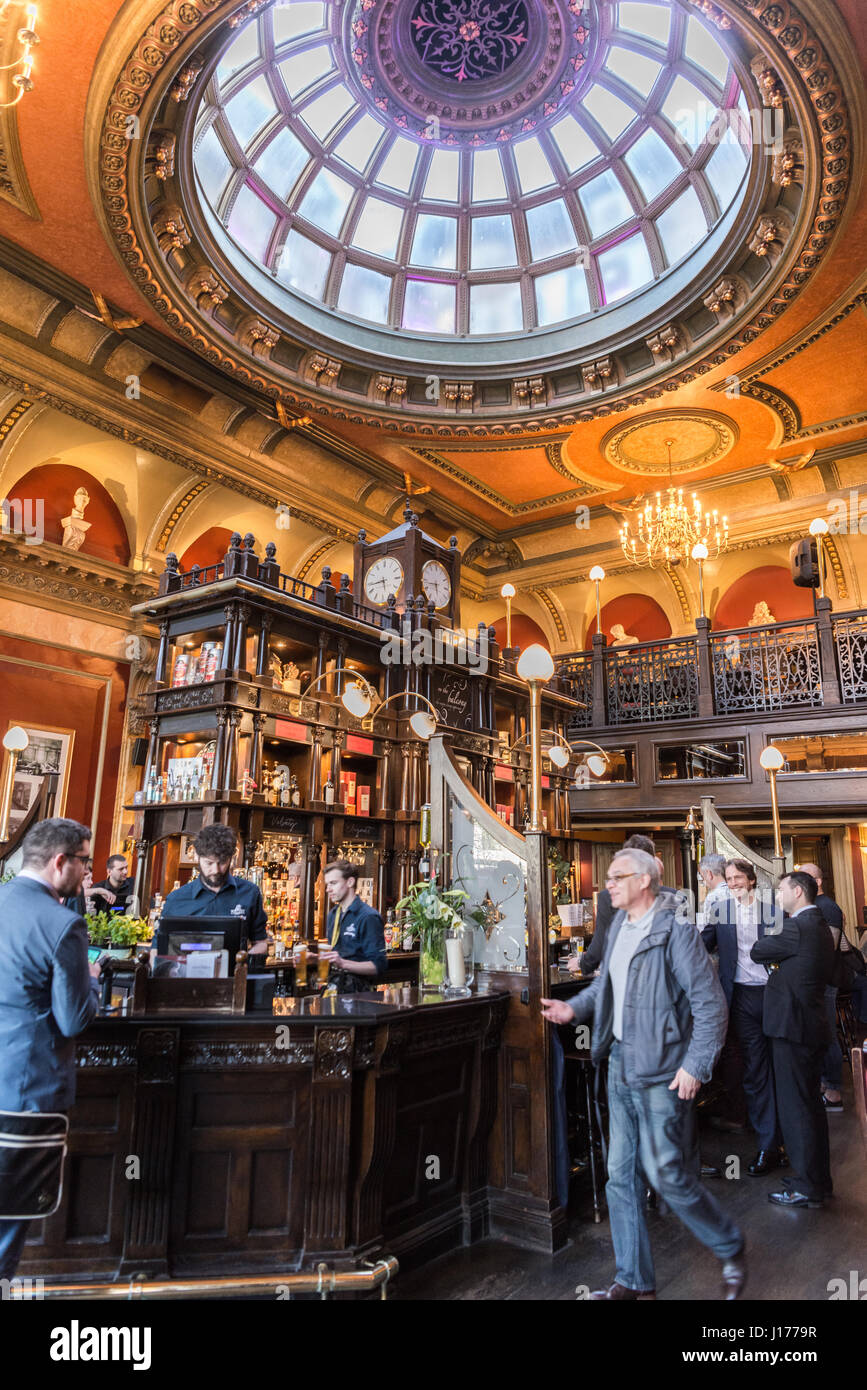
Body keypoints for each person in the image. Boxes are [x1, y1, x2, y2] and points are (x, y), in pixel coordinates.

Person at [541, 849, 745, 1300]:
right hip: (619, 1065)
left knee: (666, 1173)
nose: (607, 884)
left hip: (662, 1070)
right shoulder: (617, 929)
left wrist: (696, 1064)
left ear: (646, 881)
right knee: (620, 1176)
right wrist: (572, 1007)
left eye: (617, 877)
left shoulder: (676, 932)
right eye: (609, 877)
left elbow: (711, 1005)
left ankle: (729, 1245)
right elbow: (604, 986)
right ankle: (633, 1281)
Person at [0, 818, 101, 1279]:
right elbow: (74, 1018)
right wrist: (93, 984)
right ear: (60, 861)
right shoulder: (63, 923)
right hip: (27, 1092)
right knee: (7, 1229)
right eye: (83, 861)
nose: (86, 871)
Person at [751, 872, 835, 1209]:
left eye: (781, 890)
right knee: (811, 1107)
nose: (778, 896)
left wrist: (776, 960)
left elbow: (758, 950)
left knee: (796, 1108)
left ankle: (805, 1186)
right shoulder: (819, 924)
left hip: (792, 1027)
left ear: (798, 892)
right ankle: (818, 1179)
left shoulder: (796, 927)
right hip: (810, 1024)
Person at [702, 858, 784, 1175]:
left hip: (772, 997)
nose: (734, 882)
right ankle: (767, 1144)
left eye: (739, 878)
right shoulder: (720, 911)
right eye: (730, 878)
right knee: (755, 1069)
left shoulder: (771, 911)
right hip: (739, 998)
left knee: (781, 1068)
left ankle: (785, 1139)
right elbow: (699, 945)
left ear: (752, 881)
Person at [159, 824, 269, 954]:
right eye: (209, 863)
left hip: (233, 972)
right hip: (188, 973)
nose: (216, 870)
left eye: (222, 862)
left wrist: (241, 961)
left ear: (231, 858)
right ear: (196, 856)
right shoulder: (176, 899)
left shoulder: (250, 893)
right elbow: (159, 948)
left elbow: (261, 943)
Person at [798, 862, 845, 1111]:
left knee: (827, 1036)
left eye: (804, 878)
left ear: (817, 882)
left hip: (825, 982)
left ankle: (835, 1090)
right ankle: (824, 1086)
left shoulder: (828, 907)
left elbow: (831, 946)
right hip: (814, 982)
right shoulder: (812, 906)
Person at [318, 861, 386, 993]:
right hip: (335, 987)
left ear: (350, 882)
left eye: (333, 883)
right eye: (327, 884)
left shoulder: (368, 916)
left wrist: (343, 963)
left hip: (358, 993)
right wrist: (314, 958)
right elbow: (338, 956)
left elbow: (378, 966)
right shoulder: (333, 914)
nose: (328, 889)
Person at [698, 853, 731, 926]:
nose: (703, 881)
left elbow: (707, 927)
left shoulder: (712, 897)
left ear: (709, 874)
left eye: (702, 876)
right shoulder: (736, 891)